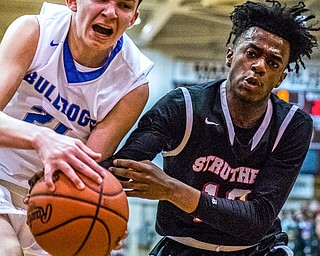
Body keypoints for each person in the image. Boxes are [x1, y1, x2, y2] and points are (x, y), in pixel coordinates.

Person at [101, 0, 320, 255]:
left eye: (272, 63)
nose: (259, 66)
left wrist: (171, 189)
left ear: (281, 77)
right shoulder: (183, 106)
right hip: (183, 245)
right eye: (252, 53)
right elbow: (119, 169)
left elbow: (258, 221)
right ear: (230, 55)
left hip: (257, 248)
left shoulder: (292, 125)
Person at [0, 0, 153, 255]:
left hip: (48, 196)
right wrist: (41, 138)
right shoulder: (34, 31)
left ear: (133, 18)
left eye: (124, 5)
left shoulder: (133, 84)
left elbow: (87, 170)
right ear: (72, 1)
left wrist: (103, 216)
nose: (110, 12)